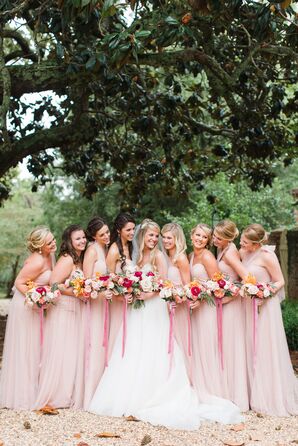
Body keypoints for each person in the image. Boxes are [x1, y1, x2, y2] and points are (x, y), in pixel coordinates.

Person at [88, 219, 243, 430]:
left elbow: (162, 284)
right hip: (138, 311)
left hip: (155, 308)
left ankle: (157, 392)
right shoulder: (138, 255)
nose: (154, 239)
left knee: (155, 348)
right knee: (135, 348)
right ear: (142, 236)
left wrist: (147, 292)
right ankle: (131, 393)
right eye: (151, 235)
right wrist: (131, 291)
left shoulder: (159, 256)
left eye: (156, 235)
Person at [240, 223, 298, 416]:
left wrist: (265, 293)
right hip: (249, 304)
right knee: (252, 345)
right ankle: (253, 392)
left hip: (266, 305)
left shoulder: (267, 255)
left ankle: (271, 394)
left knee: (266, 346)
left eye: (245, 241)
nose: (242, 243)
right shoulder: (245, 253)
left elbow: (280, 280)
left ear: (256, 244)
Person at [0, 226, 56, 409]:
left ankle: (35, 389)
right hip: (25, 305)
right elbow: (19, 283)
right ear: (41, 247)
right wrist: (37, 298)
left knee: (35, 346)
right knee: (26, 346)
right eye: (49, 242)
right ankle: (22, 395)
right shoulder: (38, 261)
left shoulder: (50, 256)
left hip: (34, 304)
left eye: (53, 239)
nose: (54, 243)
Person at [35, 225, 87, 409]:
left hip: (75, 308)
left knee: (70, 351)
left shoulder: (79, 259)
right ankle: (54, 395)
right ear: (70, 242)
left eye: (83, 237)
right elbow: (54, 284)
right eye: (78, 239)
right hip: (63, 308)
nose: (82, 241)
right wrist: (77, 294)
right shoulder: (66, 259)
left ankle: (66, 394)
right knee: (60, 350)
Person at [213, 220, 249, 411]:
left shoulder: (231, 252)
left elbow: (246, 279)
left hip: (232, 306)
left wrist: (230, 296)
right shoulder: (224, 250)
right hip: (225, 304)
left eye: (218, 237)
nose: (214, 239)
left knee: (232, 346)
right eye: (214, 236)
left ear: (227, 238)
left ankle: (237, 394)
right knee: (226, 346)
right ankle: (227, 391)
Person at [189, 223, 224, 399]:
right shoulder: (190, 256)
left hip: (207, 308)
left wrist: (202, 299)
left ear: (208, 241)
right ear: (191, 235)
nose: (200, 239)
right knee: (196, 345)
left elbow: (218, 285)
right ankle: (197, 385)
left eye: (204, 237)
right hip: (194, 308)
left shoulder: (207, 257)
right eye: (198, 235)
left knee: (206, 344)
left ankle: (211, 389)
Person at [82, 217, 112, 408]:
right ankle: (89, 395)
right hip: (95, 303)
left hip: (105, 303)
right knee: (94, 344)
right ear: (94, 236)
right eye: (102, 234)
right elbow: (86, 282)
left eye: (108, 232)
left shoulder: (105, 249)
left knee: (103, 344)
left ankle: (102, 391)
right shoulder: (92, 250)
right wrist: (101, 289)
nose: (107, 236)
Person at [161, 222, 192, 379]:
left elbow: (188, 286)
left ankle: (184, 378)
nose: (165, 241)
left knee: (179, 341)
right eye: (164, 237)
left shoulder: (181, 258)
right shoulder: (165, 256)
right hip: (164, 306)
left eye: (169, 238)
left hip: (179, 306)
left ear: (177, 239)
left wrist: (179, 296)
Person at [105, 213, 136, 352]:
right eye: (128, 230)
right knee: (118, 336)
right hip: (118, 301)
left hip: (130, 300)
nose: (132, 232)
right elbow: (108, 279)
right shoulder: (113, 250)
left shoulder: (130, 247)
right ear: (119, 230)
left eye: (133, 229)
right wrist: (120, 294)